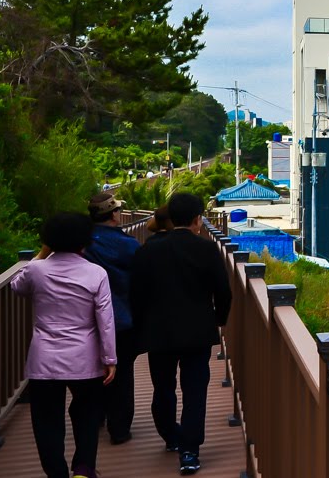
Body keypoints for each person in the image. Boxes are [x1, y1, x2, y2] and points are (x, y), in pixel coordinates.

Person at [131, 193, 232, 476]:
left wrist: (142, 328)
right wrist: (219, 320)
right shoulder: (205, 250)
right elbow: (223, 292)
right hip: (197, 332)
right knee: (194, 391)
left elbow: (136, 295)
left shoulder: (146, 251)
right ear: (198, 219)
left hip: (158, 332)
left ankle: (170, 435)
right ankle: (190, 452)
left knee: (163, 388)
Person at [11, 212, 117, 478]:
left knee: (46, 421)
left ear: (48, 240)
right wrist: (110, 358)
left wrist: (42, 253)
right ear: (85, 240)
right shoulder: (96, 273)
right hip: (85, 357)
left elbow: (16, 286)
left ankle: (56, 473)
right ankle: (83, 468)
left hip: (44, 359)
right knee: (88, 413)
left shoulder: (36, 270)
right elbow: (105, 320)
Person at [83, 191, 140, 445]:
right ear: (115, 215)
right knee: (123, 373)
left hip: (87, 319)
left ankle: (94, 419)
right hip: (122, 317)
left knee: (92, 372)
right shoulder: (129, 245)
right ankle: (119, 428)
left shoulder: (82, 244)